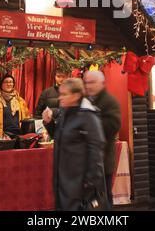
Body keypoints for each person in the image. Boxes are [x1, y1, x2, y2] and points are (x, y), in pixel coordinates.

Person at [42, 77, 107, 211]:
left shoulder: (88, 116)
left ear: (76, 95)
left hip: (79, 184)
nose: (60, 98)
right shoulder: (66, 113)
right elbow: (60, 137)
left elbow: (96, 151)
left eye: (64, 94)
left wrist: (89, 184)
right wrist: (49, 123)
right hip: (64, 180)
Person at [83, 70, 121, 209]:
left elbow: (114, 125)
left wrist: (89, 124)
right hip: (86, 161)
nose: (88, 86)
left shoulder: (110, 101)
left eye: (92, 82)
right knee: (88, 200)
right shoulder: (85, 99)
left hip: (102, 161)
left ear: (102, 83)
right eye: (86, 82)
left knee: (103, 199)